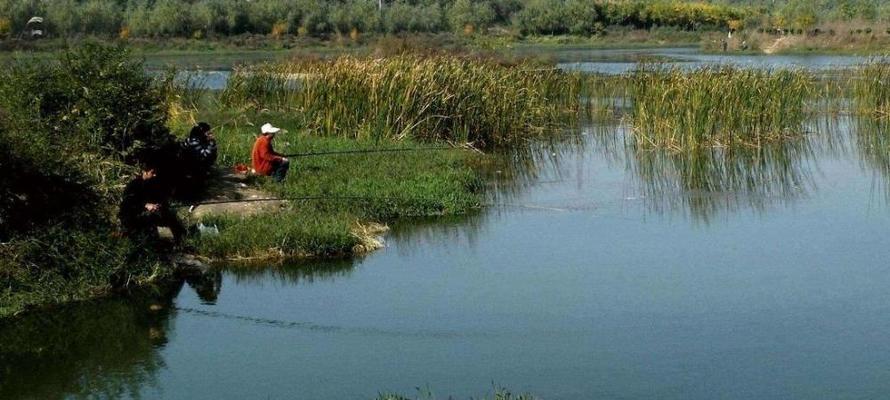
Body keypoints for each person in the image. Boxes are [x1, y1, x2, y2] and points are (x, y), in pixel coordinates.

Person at [119, 162, 186, 246]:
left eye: (155, 173)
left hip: (146, 214)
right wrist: (146, 205)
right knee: (149, 223)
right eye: (152, 173)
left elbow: (157, 199)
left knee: (170, 217)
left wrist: (158, 205)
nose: (154, 175)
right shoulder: (133, 185)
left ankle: (182, 242)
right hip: (131, 217)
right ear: (145, 172)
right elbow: (128, 203)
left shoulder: (151, 184)